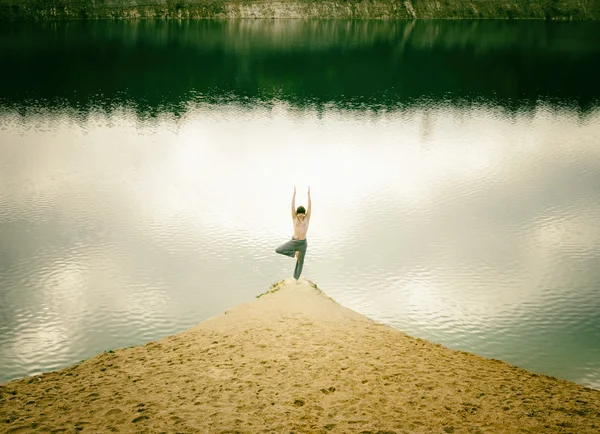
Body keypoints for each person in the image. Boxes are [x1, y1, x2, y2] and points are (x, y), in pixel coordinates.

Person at [275, 186, 311, 281]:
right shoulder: (294, 218)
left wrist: (308, 195)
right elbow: (292, 206)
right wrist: (294, 194)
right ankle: (294, 253)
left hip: (303, 243)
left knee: (300, 262)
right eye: (299, 214)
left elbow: (310, 206)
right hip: (294, 241)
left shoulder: (307, 218)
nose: (300, 216)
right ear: (297, 213)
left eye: (302, 214)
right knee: (278, 250)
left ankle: (296, 279)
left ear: (304, 213)